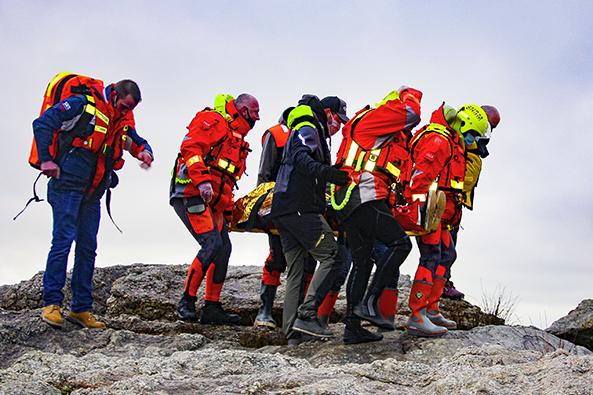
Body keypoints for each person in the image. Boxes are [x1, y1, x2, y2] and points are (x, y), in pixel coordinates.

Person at [35, 78, 152, 329]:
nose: (127, 112)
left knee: (88, 247)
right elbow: (43, 123)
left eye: (131, 109)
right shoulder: (81, 105)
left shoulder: (121, 119)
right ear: (114, 95)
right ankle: (51, 303)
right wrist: (46, 160)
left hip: (93, 192)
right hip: (67, 185)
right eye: (124, 106)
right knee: (63, 241)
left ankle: (80, 308)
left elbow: (134, 140)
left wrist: (145, 151)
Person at [331, 87, 438, 344]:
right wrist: (408, 94)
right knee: (401, 244)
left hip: (353, 199)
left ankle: (352, 328)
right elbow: (411, 112)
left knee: (363, 262)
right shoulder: (375, 118)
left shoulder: (384, 134)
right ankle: (370, 302)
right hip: (362, 195)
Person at [172, 93, 260, 325]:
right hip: (190, 193)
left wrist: (229, 212)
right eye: (254, 111)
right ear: (242, 109)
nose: (257, 117)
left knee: (223, 247)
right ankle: (187, 301)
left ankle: (211, 306)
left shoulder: (238, 141)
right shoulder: (213, 121)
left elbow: (227, 181)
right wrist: (201, 182)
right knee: (212, 243)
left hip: (214, 202)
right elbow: (190, 149)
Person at [404, 103, 490, 337]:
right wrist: (419, 208)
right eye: (472, 134)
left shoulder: (453, 140)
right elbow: (421, 176)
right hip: (431, 208)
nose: (472, 139)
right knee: (431, 255)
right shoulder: (440, 140)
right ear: (463, 125)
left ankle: (431, 309)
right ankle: (417, 315)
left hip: (443, 211)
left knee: (447, 254)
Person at [270, 94, 349, 342]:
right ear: (326, 112)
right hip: (301, 208)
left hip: (282, 209)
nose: (337, 125)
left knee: (298, 270)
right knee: (331, 255)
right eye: (337, 119)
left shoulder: (301, 127)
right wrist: (330, 174)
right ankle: (307, 315)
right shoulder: (309, 127)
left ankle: (291, 332)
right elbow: (302, 159)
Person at [254, 107, 317, 329]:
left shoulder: (312, 137)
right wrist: (264, 208)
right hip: (279, 207)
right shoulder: (277, 135)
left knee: (309, 261)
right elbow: (264, 174)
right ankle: (265, 310)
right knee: (277, 257)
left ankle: (299, 313)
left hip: (304, 209)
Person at [442, 105, 501, 300]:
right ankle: (441, 283)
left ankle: (443, 281)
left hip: (457, 200)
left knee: (449, 244)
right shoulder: (464, 138)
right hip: (448, 198)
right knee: (443, 247)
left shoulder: (476, 144)